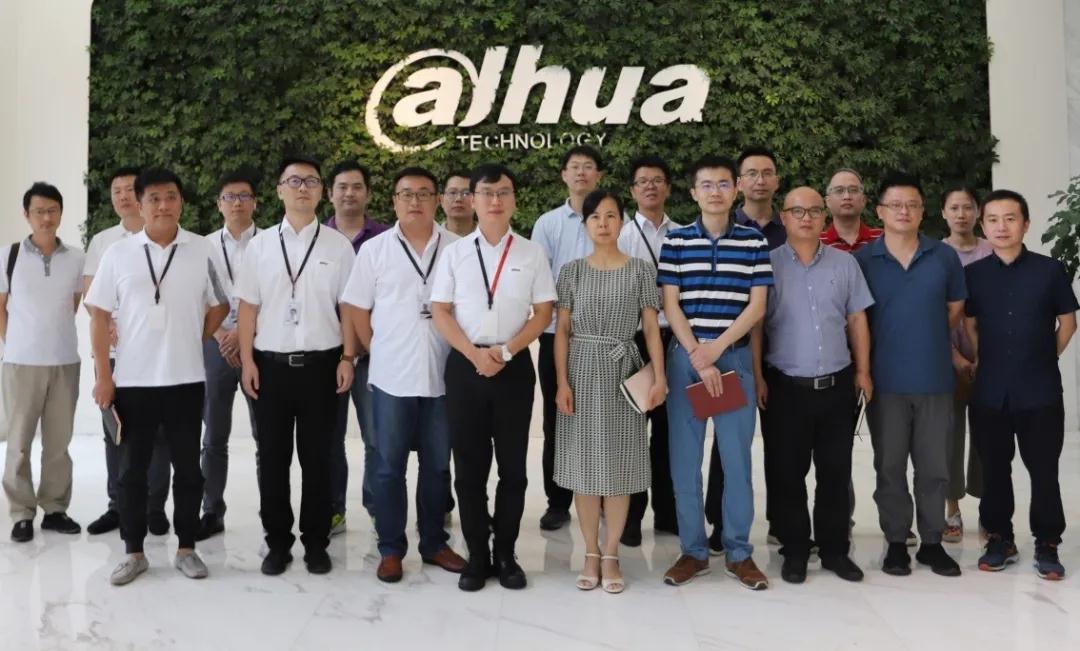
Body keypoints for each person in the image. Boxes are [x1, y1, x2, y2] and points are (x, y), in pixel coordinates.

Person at [86, 168, 229, 585]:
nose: (163, 205)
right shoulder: (118, 253)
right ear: (140, 204)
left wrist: (193, 336)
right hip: (133, 381)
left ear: (181, 202)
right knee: (132, 472)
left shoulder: (201, 249)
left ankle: (187, 548)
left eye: (170, 197)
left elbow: (220, 304)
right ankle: (134, 552)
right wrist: (103, 376)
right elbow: (98, 316)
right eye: (153, 199)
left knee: (188, 470)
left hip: (186, 379)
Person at [431, 163, 556, 592]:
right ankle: (477, 555)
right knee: (468, 469)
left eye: (503, 192)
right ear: (473, 200)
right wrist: (474, 354)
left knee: (513, 469)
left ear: (514, 199)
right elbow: (440, 310)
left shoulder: (531, 252)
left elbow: (543, 312)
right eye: (486, 193)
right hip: (465, 367)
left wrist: (504, 352)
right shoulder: (454, 253)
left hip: (513, 366)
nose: (495, 201)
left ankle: (505, 553)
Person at [341, 166, 465, 583]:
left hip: (443, 375)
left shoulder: (458, 249)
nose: (415, 201)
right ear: (394, 201)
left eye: (424, 193)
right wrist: (375, 348)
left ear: (437, 201)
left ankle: (434, 543)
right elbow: (356, 307)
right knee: (388, 466)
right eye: (406, 194)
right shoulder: (374, 250)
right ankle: (391, 548)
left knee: (437, 466)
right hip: (391, 377)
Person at [236, 155, 357, 576]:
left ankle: (316, 542)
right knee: (272, 459)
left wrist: (348, 357)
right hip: (270, 367)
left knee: (318, 459)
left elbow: (348, 309)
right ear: (279, 191)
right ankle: (277, 542)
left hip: (323, 366)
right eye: (294, 181)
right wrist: (247, 361)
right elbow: (248, 309)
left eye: (311, 181)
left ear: (322, 191)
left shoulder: (338, 247)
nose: (302, 188)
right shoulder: (260, 246)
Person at [658, 155, 772, 590]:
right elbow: (671, 304)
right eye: (706, 185)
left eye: (724, 184)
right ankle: (693, 551)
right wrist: (696, 354)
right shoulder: (676, 241)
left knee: (736, 460)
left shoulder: (753, 242)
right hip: (686, 360)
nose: (715, 192)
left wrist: (716, 349)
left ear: (736, 189)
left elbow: (757, 307)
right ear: (693, 193)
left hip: (732, 359)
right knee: (684, 462)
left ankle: (739, 552)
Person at [753, 187, 873, 584]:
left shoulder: (845, 264)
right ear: (783, 217)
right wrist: (756, 376)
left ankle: (835, 549)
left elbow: (857, 319)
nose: (806, 218)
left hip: (837, 385)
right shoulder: (766, 264)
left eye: (814, 211)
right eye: (797, 211)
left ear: (824, 217)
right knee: (787, 473)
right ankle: (795, 549)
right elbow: (756, 326)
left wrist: (863, 371)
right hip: (784, 387)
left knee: (835, 472)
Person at [554, 189, 666, 594]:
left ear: (622, 221)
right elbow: (562, 331)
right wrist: (562, 382)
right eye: (595, 217)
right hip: (582, 370)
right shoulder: (571, 271)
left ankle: (612, 552)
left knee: (619, 465)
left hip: (623, 370)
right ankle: (590, 551)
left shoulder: (640, 270)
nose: (603, 223)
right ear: (585, 225)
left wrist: (660, 377)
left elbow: (651, 328)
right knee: (584, 466)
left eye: (611, 216)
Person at [854, 172, 965, 577]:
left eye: (912, 205)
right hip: (885, 383)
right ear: (880, 211)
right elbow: (857, 319)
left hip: (934, 379)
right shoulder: (863, 261)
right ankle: (897, 541)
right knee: (890, 466)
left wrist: (926, 334)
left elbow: (955, 307)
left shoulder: (943, 256)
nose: (904, 211)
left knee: (935, 466)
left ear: (922, 211)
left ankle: (932, 542)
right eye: (896, 205)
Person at [966, 189, 1078, 580]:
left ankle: (1047, 542)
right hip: (990, 391)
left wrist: (1046, 356)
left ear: (1025, 224)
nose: (1002, 226)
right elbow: (970, 324)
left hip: (1040, 391)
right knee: (995, 470)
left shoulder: (1050, 270)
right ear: (983, 226)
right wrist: (982, 359)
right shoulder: (974, 275)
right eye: (993, 219)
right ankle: (1000, 539)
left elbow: (1068, 323)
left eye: (1010, 218)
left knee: (1044, 470)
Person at [83, 166, 172, 537]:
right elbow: (91, 297)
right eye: (115, 190)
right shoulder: (103, 241)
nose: (122, 196)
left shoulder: (165, 237)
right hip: (114, 351)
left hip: (156, 352)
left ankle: (154, 507)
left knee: (160, 433)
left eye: (128, 189)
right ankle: (118, 506)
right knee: (115, 432)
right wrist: (107, 325)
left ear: (141, 195)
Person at [709, 145, 786, 550]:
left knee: (782, 442)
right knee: (726, 443)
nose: (760, 180)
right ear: (739, 183)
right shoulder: (720, 226)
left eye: (767, 172)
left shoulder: (790, 228)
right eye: (751, 173)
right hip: (731, 351)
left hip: (784, 354)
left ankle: (781, 521)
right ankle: (719, 524)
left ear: (776, 181)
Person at [1, 182, 85, 543]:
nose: (46, 218)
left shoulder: (77, 258)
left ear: (61, 213)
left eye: (52, 210)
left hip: (64, 361)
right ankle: (21, 513)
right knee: (19, 442)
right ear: (27, 215)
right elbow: (0, 308)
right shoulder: (9, 255)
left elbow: (73, 304)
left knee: (58, 442)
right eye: (39, 211)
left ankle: (55, 509)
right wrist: (15, 343)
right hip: (20, 363)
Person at [531, 145, 603, 531]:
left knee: (604, 419)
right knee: (557, 419)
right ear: (563, 175)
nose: (581, 173)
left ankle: (605, 495)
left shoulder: (613, 220)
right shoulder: (548, 223)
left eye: (588, 167)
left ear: (598, 176)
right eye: (574, 167)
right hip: (555, 335)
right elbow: (540, 280)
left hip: (603, 337)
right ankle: (557, 502)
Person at [196, 170, 261, 541]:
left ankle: (272, 510)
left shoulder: (271, 243)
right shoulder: (202, 246)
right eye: (229, 197)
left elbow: (277, 294)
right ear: (219, 204)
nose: (237, 203)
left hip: (259, 345)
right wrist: (223, 335)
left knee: (265, 436)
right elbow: (196, 297)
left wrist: (243, 334)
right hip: (215, 344)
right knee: (214, 434)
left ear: (255, 202)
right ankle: (211, 510)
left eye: (244, 196)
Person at [325, 159, 388, 536]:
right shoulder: (316, 238)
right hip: (326, 356)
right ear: (330, 193)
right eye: (342, 187)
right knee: (329, 439)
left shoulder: (384, 239)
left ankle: (378, 507)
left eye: (357, 186)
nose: (349, 193)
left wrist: (368, 345)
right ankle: (334, 510)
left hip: (373, 356)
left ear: (367, 193)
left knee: (376, 438)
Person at [618, 155, 678, 546]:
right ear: (633, 190)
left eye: (657, 180)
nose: (651, 187)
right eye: (643, 181)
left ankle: (668, 514)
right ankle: (630, 518)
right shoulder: (621, 236)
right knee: (632, 435)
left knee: (671, 434)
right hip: (635, 341)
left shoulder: (684, 234)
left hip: (675, 338)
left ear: (668, 188)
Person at [939, 184, 992, 542]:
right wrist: (954, 356)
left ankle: (989, 509)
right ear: (943, 213)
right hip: (947, 360)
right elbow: (931, 313)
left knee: (989, 437)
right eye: (954, 208)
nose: (961, 214)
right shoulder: (935, 255)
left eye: (968, 207)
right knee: (949, 437)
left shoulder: (993, 251)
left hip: (992, 360)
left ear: (977, 212)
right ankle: (952, 510)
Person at [820, 168, 882, 252]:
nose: (847, 196)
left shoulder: (884, 239)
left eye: (853, 190)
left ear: (863, 200)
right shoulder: (814, 243)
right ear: (828, 201)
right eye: (839, 191)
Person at [441, 170, 476, 237]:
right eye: (452, 193)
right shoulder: (428, 238)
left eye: (466, 193)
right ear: (442, 200)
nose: (458, 199)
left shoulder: (491, 238)